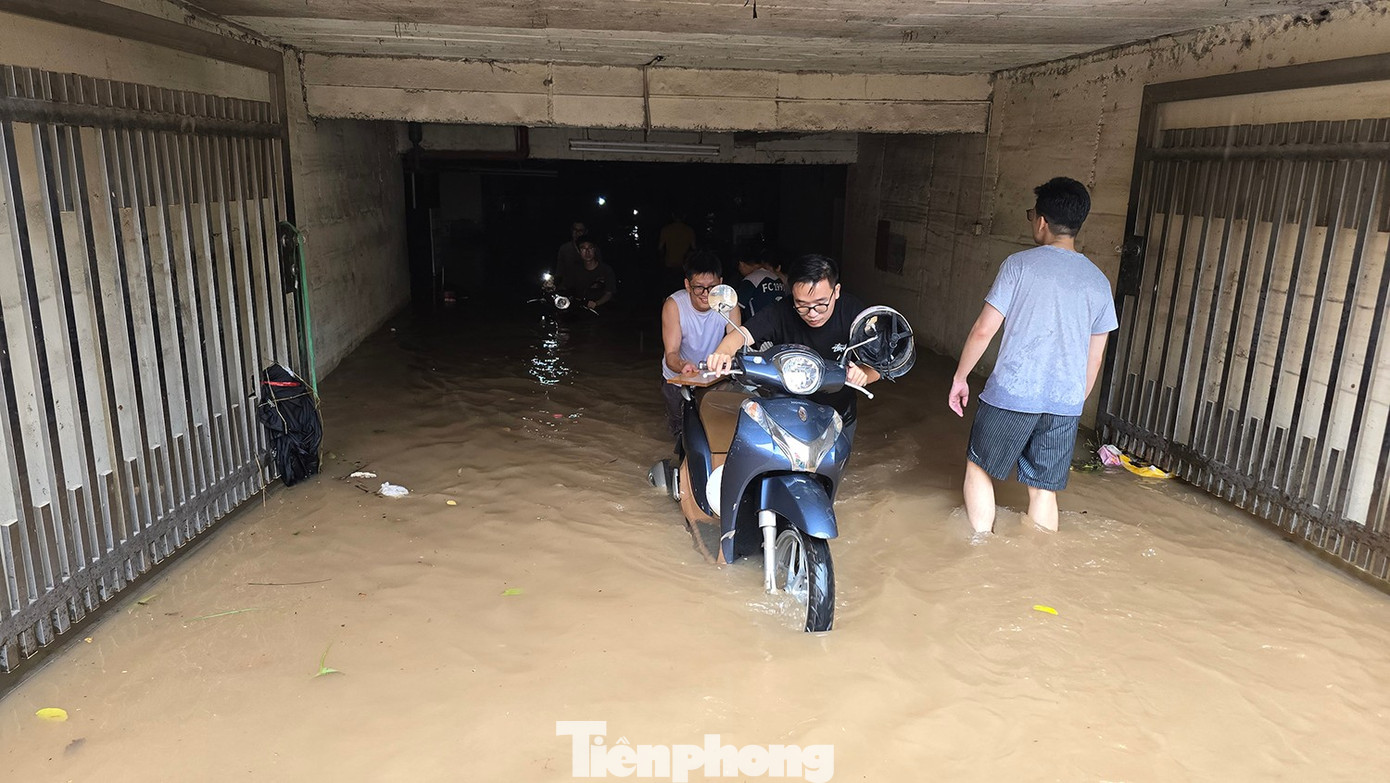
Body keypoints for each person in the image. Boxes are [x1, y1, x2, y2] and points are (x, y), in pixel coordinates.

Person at [948, 177, 1118, 535]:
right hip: (1064, 404)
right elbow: (1095, 357)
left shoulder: (1019, 265)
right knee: (1043, 490)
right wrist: (1073, 402)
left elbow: (983, 330)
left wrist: (960, 377)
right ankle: (1039, 560)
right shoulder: (1099, 282)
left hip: (1012, 394)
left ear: (1042, 221)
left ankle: (979, 549)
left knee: (979, 468)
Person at [706, 254, 880, 440]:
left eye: (821, 304)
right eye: (802, 305)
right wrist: (722, 353)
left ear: (836, 291)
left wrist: (862, 374)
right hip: (789, 414)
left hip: (838, 415)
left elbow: (879, 366)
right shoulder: (780, 311)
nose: (812, 314)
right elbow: (741, 335)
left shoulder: (854, 312)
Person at [661, 251, 742, 444]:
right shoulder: (674, 305)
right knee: (681, 433)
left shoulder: (729, 304)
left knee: (714, 433)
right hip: (678, 378)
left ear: (721, 283)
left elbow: (737, 343)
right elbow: (671, 354)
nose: (706, 294)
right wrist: (683, 365)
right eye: (699, 288)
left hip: (713, 377)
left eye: (712, 287)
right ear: (687, 285)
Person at [561, 235, 616, 310]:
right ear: (579, 251)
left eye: (590, 248)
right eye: (583, 248)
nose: (587, 252)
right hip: (581, 309)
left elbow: (609, 293)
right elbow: (566, 287)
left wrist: (596, 303)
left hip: (603, 309)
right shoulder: (575, 270)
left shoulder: (606, 269)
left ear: (594, 249)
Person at [734, 251, 785, 320]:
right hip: (779, 322)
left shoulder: (751, 280)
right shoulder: (777, 279)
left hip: (759, 324)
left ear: (741, 264)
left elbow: (736, 307)